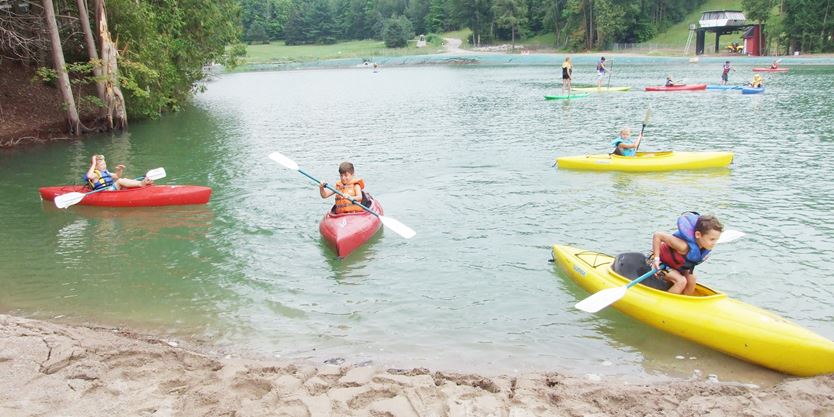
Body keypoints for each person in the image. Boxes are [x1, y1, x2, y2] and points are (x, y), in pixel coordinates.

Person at [650, 212, 724, 295]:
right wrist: (656, 259)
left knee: (692, 279)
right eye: (712, 239)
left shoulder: (703, 247)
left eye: (716, 240)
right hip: (657, 263)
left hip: (676, 266)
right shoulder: (683, 246)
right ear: (698, 235)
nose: (714, 243)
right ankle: (664, 303)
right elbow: (658, 235)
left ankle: (686, 301)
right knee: (681, 281)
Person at [84, 154, 152, 191]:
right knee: (119, 181)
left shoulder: (106, 172)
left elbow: (117, 176)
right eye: (101, 165)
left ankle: (141, 183)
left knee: (124, 179)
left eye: (104, 164)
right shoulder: (95, 175)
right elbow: (89, 176)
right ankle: (141, 183)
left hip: (110, 189)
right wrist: (93, 163)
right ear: (95, 167)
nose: (104, 166)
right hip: (104, 192)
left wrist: (119, 170)